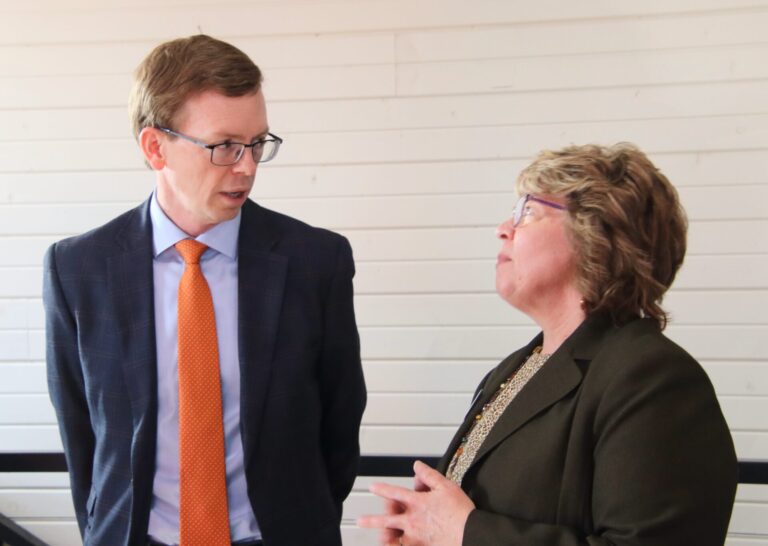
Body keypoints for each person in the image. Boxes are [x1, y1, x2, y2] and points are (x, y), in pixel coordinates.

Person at [44, 34, 366, 546]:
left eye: (258, 143)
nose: (247, 166)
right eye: (224, 147)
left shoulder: (316, 262)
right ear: (156, 147)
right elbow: (83, 436)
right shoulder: (79, 269)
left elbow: (340, 421)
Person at [358, 143, 738, 545]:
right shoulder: (514, 369)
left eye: (529, 211)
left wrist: (465, 532)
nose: (504, 227)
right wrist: (425, 532)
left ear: (598, 233)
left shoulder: (653, 379)